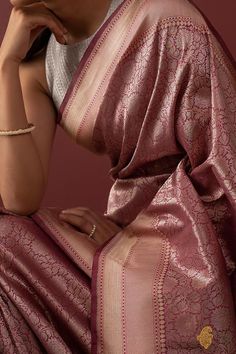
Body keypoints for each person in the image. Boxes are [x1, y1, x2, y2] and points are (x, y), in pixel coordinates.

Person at [0, 0, 236, 352]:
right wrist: (5, 67)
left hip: (187, 247)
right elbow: (20, 199)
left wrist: (143, 243)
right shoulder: (40, 64)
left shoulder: (165, 20)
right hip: (119, 237)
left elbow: (224, 167)